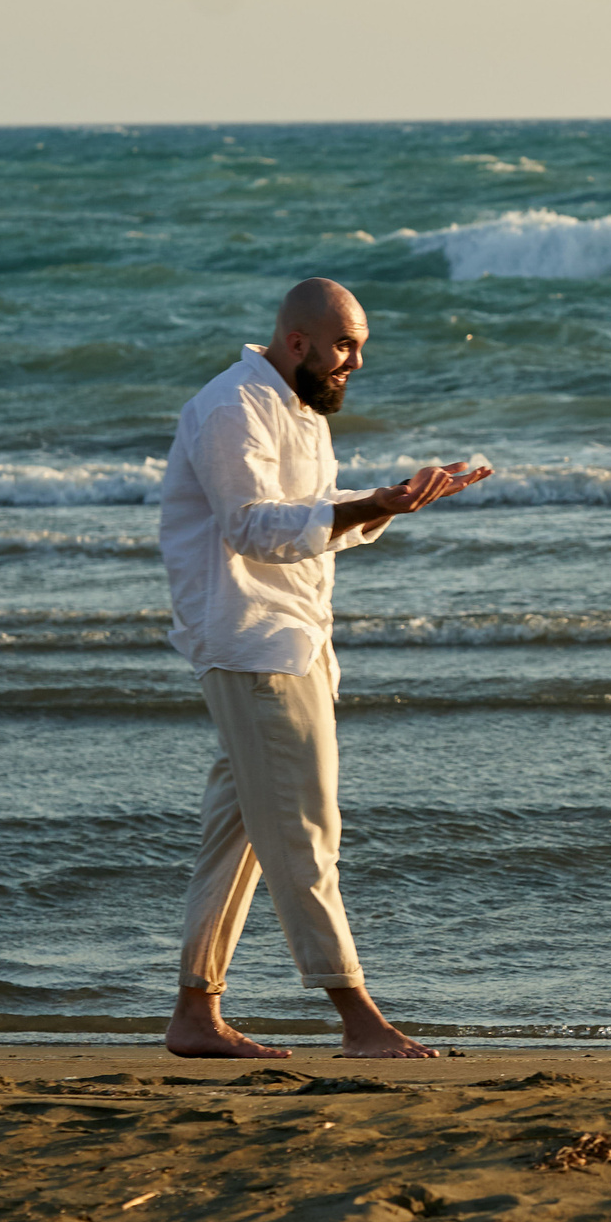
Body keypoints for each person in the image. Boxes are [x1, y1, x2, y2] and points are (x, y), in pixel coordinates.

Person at [160, 278, 490, 1059]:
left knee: (238, 837)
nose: (357, 362)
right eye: (346, 345)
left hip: (293, 638)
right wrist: (371, 502)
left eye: (362, 347)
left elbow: (308, 524)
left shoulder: (300, 413)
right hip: (252, 644)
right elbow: (249, 527)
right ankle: (357, 1017)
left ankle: (194, 1014)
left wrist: (385, 504)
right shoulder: (232, 405)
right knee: (306, 830)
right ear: (298, 340)